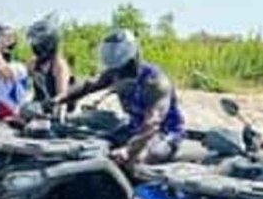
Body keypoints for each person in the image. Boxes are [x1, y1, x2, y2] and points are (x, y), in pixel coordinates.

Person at [50, 28, 184, 165]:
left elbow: (152, 124)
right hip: (134, 126)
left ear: (134, 57)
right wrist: (57, 99)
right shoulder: (115, 73)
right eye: (116, 69)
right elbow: (88, 85)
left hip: (164, 132)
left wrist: (128, 150)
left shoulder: (155, 82)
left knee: (138, 158)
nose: (118, 74)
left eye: (122, 68)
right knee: (95, 145)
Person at [25, 13, 72, 105]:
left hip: (61, 110)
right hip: (40, 108)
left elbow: (62, 96)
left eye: (37, 43)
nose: (34, 46)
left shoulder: (59, 65)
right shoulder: (33, 63)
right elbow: (19, 80)